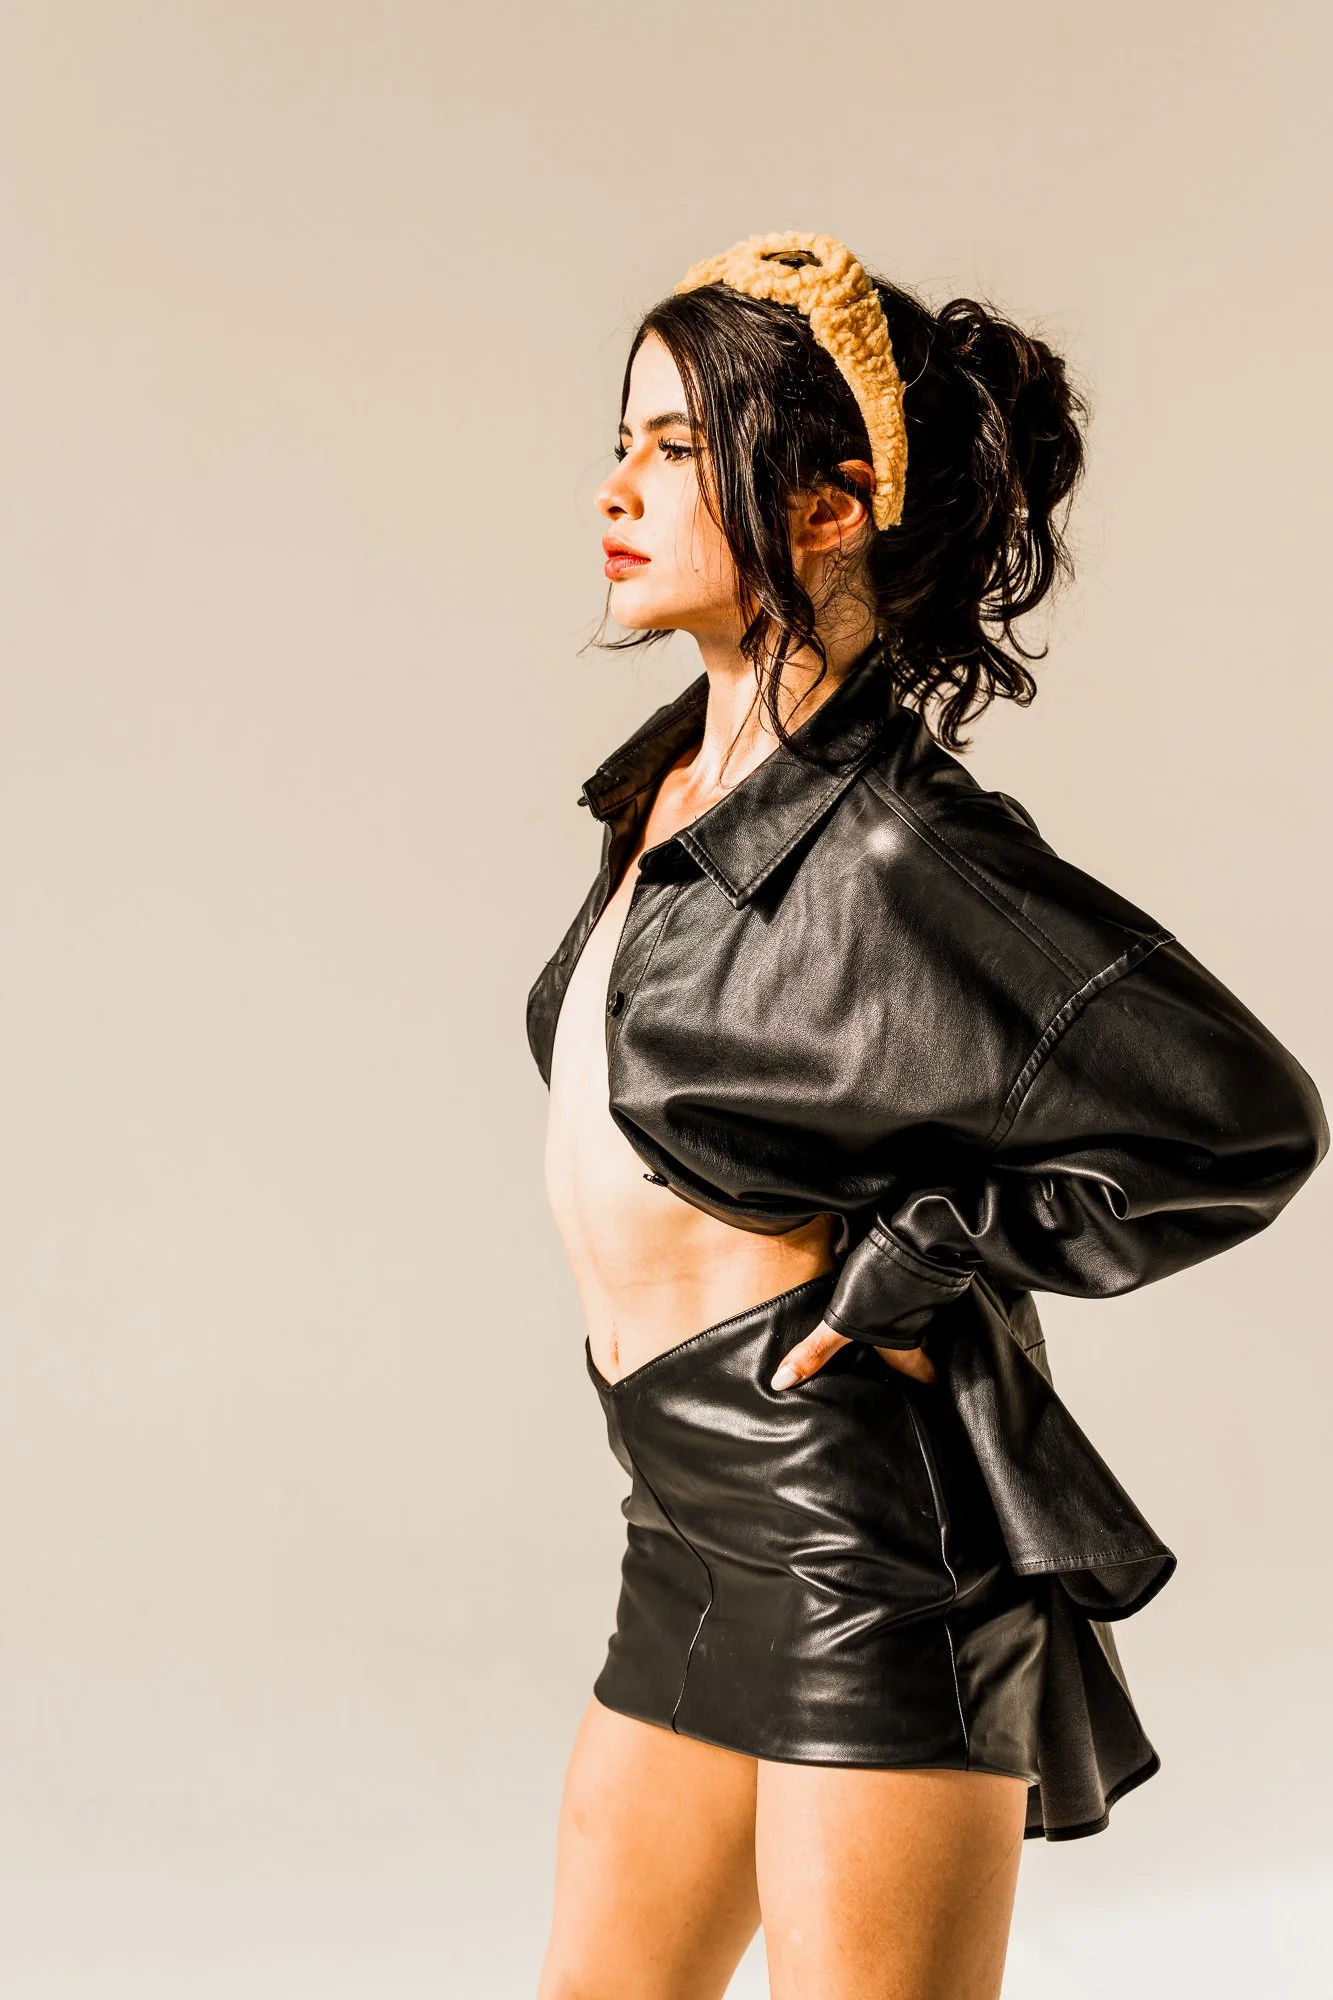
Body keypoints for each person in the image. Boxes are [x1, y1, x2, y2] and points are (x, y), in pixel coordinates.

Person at [526, 232, 1327, 2000]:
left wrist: (929, 1249)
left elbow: (1248, 1120)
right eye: (626, 438)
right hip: (680, 1523)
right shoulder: (674, 784)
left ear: (827, 508)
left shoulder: (899, 845)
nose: (619, 484)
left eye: (675, 446)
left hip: (860, 1548)